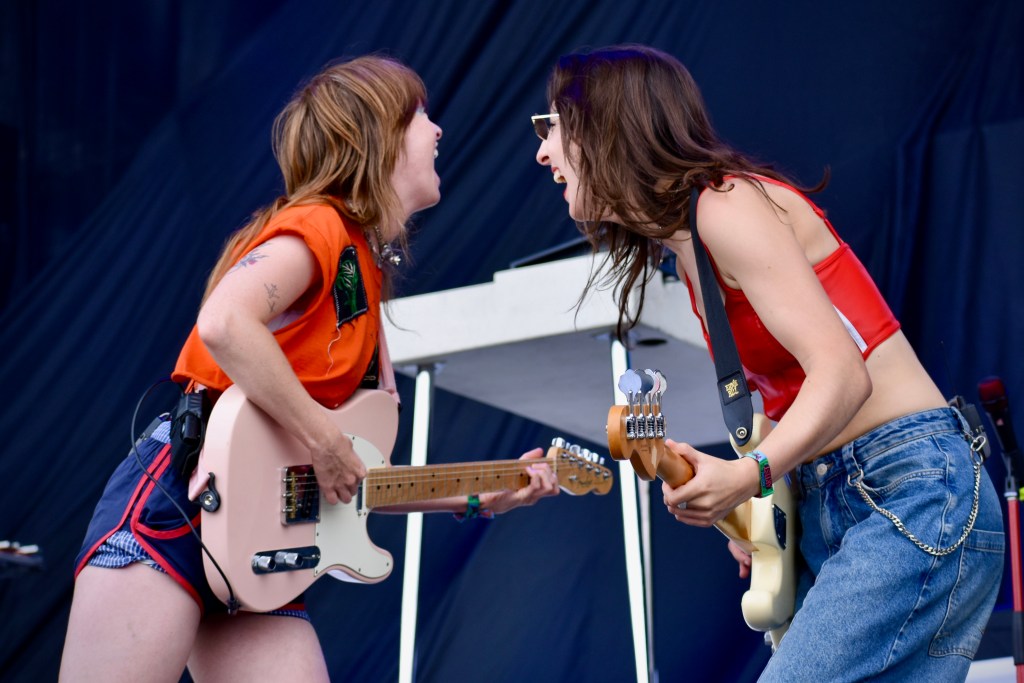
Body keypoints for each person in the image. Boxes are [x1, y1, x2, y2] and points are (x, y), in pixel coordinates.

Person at [59, 55, 559, 683]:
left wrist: (485, 495)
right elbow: (224, 323)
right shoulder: (320, 225)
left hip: (263, 556)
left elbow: (355, 472)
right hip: (176, 506)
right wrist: (324, 438)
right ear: (376, 136)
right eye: (420, 116)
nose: (437, 131)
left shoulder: (365, 270)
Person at [533, 44, 1004, 681]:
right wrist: (761, 511)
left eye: (553, 129)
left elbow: (843, 372)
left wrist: (749, 474)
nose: (543, 153)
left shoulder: (725, 207)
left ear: (605, 127)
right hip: (850, 496)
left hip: (910, 485)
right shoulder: (690, 249)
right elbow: (799, 398)